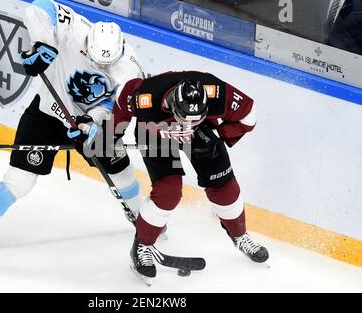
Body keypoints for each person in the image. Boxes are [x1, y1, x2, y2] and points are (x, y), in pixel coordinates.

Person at [0, 0, 144, 271]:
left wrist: (93, 128)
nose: (102, 68)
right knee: (18, 183)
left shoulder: (130, 69)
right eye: (96, 60)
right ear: (87, 44)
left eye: (106, 65)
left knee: (123, 174)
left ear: (120, 51)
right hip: (47, 115)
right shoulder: (75, 29)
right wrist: (43, 45)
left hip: (92, 125)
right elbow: (41, 6)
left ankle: (145, 228)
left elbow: (121, 111)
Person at [113, 71, 269, 279]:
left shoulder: (217, 92)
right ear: (174, 105)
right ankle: (142, 246)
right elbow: (123, 99)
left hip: (202, 133)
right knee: (169, 191)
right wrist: (110, 136)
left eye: (194, 120)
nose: (187, 126)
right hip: (155, 133)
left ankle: (240, 236)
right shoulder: (147, 95)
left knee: (225, 187)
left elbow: (249, 115)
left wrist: (218, 135)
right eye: (184, 119)